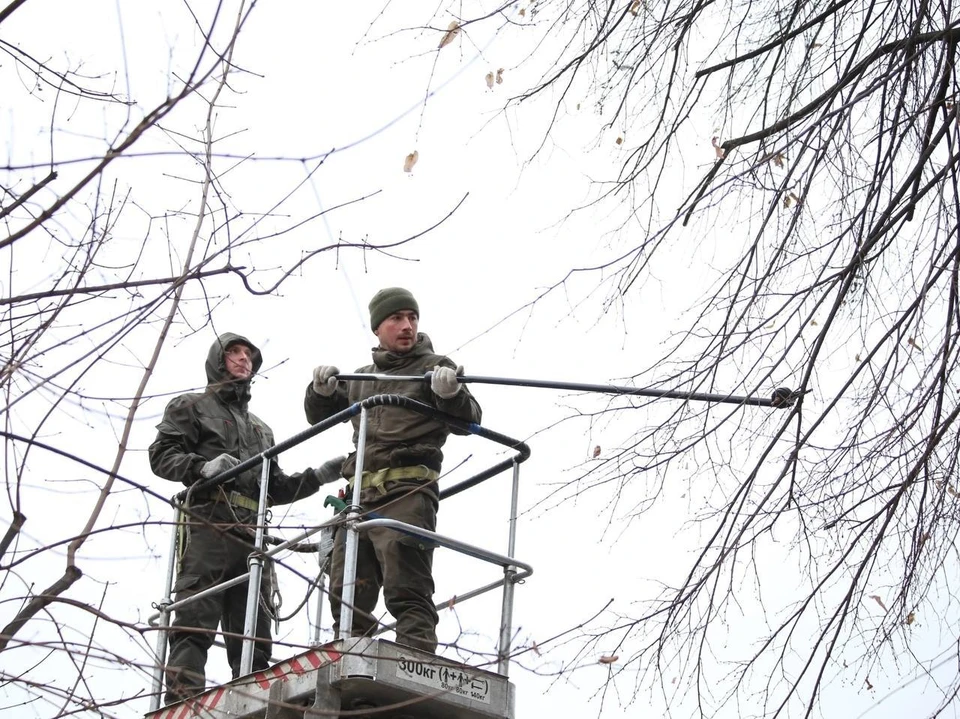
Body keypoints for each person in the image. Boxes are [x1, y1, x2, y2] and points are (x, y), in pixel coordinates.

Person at [149, 332, 342, 704]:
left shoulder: (260, 429)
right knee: (195, 618)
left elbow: (275, 487)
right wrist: (202, 468)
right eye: (234, 353)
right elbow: (161, 455)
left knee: (254, 629)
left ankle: (249, 706)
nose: (243, 359)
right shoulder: (190, 406)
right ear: (218, 361)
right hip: (208, 523)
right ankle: (185, 702)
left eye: (248, 355)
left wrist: (316, 476)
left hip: (252, 532)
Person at [304, 287, 482, 654]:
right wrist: (320, 391)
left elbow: (471, 422)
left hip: (406, 493)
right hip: (357, 499)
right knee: (347, 590)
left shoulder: (434, 369)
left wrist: (451, 395)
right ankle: (350, 665)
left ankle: (416, 667)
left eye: (412, 317)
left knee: (407, 586)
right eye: (397, 318)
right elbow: (318, 417)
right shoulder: (364, 378)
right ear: (378, 328)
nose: (407, 326)